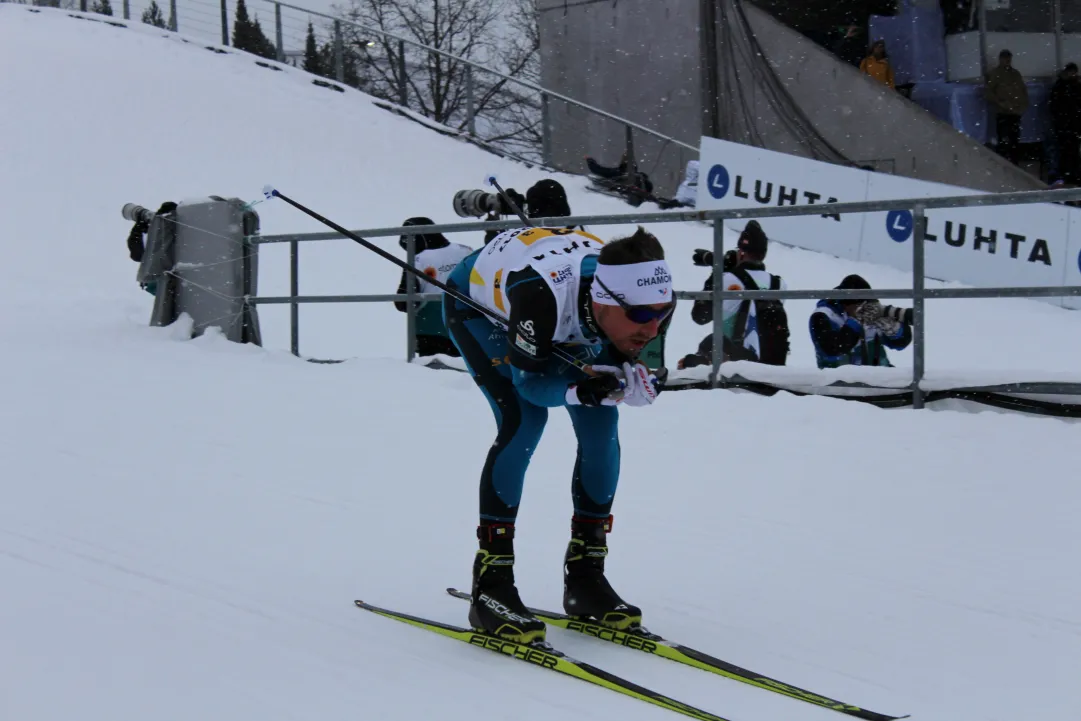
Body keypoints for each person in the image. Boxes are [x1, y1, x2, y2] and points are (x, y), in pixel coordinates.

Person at [442, 224, 674, 644]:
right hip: (482, 306)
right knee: (525, 421)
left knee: (602, 424)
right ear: (605, 301)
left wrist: (639, 382)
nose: (653, 328)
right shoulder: (539, 297)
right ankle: (491, 584)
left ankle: (586, 576)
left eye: (663, 312)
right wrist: (579, 389)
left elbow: (642, 362)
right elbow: (530, 385)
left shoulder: (646, 299)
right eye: (641, 316)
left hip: (567, 302)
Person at [678, 220, 789, 369]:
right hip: (769, 364)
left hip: (737, 363)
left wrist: (716, 271)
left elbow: (700, 316)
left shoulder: (728, 280)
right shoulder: (778, 284)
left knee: (710, 343)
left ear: (741, 252)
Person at [393, 217, 473, 358]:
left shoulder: (418, 260)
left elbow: (404, 302)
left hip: (431, 331)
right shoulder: (465, 250)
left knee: (432, 373)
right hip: (469, 324)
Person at [809, 274, 912, 368]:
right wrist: (855, 321)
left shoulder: (870, 312)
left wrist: (895, 330)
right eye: (861, 305)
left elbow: (900, 344)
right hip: (839, 383)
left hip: (879, 379)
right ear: (846, 304)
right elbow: (832, 350)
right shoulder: (822, 316)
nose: (866, 309)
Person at [985, 49, 1029, 165]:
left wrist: (1023, 105)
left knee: (1014, 141)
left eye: (1009, 58)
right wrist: (1000, 103)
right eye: (1005, 58)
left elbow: (1022, 91)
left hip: (1015, 113)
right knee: (1004, 141)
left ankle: (1014, 164)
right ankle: (1004, 165)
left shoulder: (1015, 74)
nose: (1007, 61)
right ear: (1000, 59)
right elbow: (988, 92)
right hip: (1003, 112)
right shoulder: (996, 74)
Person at [1049, 63, 1081, 185]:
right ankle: (1067, 174)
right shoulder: (1061, 86)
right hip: (1065, 124)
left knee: (1072, 151)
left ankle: (1072, 174)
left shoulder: (1074, 86)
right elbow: (1055, 106)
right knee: (1065, 151)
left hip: (1073, 125)